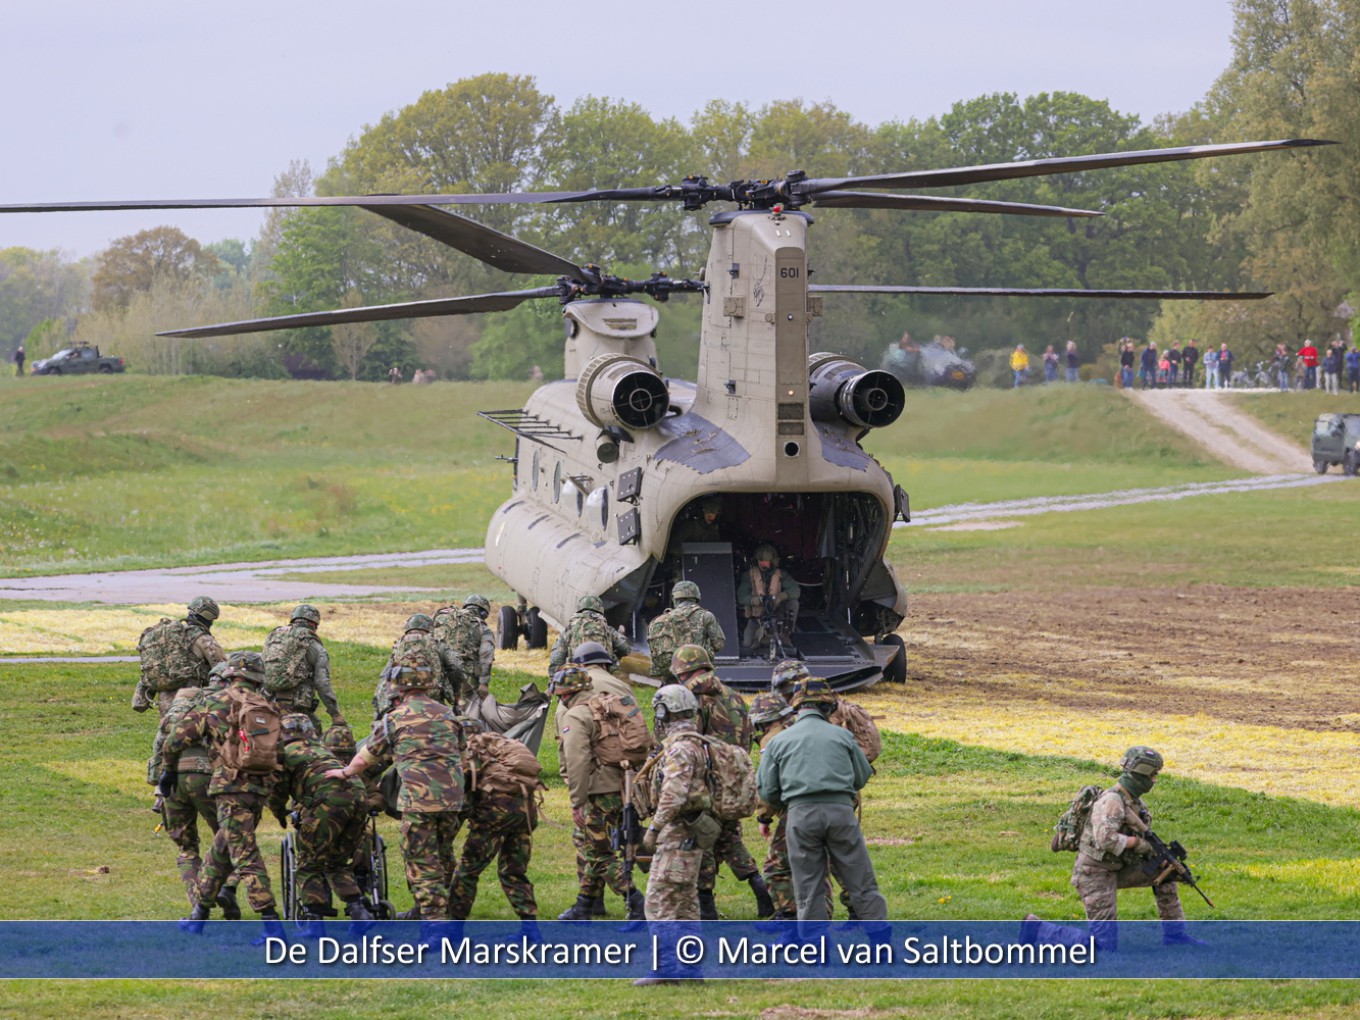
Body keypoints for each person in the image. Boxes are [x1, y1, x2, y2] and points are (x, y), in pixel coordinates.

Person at [1022, 746, 1204, 952]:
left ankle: (1176, 935)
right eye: (1153, 775)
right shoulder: (1112, 802)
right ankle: (1037, 929)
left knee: (1167, 872)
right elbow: (1105, 840)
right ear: (1141, 775)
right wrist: (1137, 844)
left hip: (1118, 868)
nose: (1154, 780)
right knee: (1103, 947)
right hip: (1094, 874)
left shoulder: (1135, 804)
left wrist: (1161, 859)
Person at [329, 654, 466, 924]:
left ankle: (435, 922)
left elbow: (366, 756)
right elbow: (462, 751)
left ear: (398, 688)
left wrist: (344, 772)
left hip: (419, 801)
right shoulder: (448, 714)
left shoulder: (396, 718)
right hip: (452, 799)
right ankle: (434, 908)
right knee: (444, 853)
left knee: (421, 860)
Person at [755, 676, 888, 928]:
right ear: (828, 706)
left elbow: (768, 789)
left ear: (796, 707)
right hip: (840, 813)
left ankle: (815, 948)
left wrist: (792, 802)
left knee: (808, 884)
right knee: (860, 879)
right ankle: (879, 939)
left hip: (800, 816)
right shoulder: (842, 736)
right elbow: (860, 776)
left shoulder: (778, 741)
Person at [165, 651, 281, 936]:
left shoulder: (215, 701)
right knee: (221, 851)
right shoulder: (268, 705)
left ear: (230, 674)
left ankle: (273, 927)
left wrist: (168, 770)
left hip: (230, 789)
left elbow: (176, 738)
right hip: (260, 788)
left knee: (245, 856)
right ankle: (199, 915)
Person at [671, 644, 771, 920]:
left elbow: (687, 742)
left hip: (707, 780)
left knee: (701, 837)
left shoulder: (690, 697)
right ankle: (760, 887)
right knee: (728, 837)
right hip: (736, 778)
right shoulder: (734, 697)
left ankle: (706, 907)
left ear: (682, 671)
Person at [551, 660, 648, 921]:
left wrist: (576, 802)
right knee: (597, 846)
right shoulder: (604, 707)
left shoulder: (575, 715)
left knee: (598, 853)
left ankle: (637, 901)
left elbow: (577, 761)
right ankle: (585, 905)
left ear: (564, 692)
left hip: (599, 793)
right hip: (624, 787)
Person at [634, 684, 715, 986]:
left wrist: (653, 829)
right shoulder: (698, 743)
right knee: (685, 903)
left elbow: (673, 794)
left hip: (677, 832)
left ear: (662, 711)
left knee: (659, 901)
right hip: (692, 832)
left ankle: (666, 969)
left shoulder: (680, 748)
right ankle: (691, 968)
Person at [270, 713, 372, 935]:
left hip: (329, 801)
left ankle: (315, 924)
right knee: (337, 862)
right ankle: (359, 912)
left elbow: (278, 790)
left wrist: (279, 813)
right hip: (358, 795)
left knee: (309, 864)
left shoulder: (284, 753)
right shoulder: (321, 749)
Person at [151, 668, 240, 917]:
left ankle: (199, 906)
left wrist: (158, 784)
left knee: (187, 850)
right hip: (209, 777)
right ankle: (227, 888)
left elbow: (161, 742)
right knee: (229, 838)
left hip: (173, 780)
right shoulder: (229, 705)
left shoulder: (183, 701)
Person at [448, 722, 543, 927]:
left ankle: (453, 929)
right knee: (513, 871)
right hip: (525, 813)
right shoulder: (503, 745)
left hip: (495, 816)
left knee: (468, 870)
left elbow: (463, 796)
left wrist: (448, 833)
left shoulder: (471, 751)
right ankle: (531, 928)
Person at [134, 595, 227, 717]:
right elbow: (223, 669)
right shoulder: (203, 639)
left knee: (169, 733)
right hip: (192, 702)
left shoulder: (168, 637)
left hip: (165, 702)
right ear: (210, 617)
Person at [263, 603, 347, 735]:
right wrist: (335, 713)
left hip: (268, 702)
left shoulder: (275, 636)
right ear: (314, 624)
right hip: (296, 706)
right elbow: (322, 683)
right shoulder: (314, 645)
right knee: (314, 733)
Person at [750, 690, 798, 920]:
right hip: (834, 805)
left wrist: (764, 817)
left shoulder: (772, 739)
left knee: (775, 866)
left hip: (795, 810)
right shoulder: (800, 728)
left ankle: (787, 914)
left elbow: (768, 783)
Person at [375, 613, 465, 716]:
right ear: (430, 628)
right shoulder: (438, 643)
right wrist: (456, 693)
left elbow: (385, 674)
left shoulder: (399, 645)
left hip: (403, 700)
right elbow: (456, 667)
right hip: (433, 701)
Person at [646, 580, 725, 683]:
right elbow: (719, 645)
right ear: (697, 597)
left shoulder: (664, 618)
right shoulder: (706, 616)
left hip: (671, 671)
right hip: (696, 672)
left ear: (674, 598)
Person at [736, 543, 801, 656]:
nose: (763, 564)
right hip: (757, 618)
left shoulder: (781, 575)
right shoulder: (749, 576)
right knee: (747, 645)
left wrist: (780, 597)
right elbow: (741, 596)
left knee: (794, 603)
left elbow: (795, 591)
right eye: (761, 561)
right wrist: (754, 600)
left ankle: (785, 634)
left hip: (778, 616)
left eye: (766, 561)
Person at [548, 595, 631, 674]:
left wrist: (553, 678)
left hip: (577, 673)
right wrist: (614, 656)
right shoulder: (607, 628)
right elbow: (625, 649)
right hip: (603, 672)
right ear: (600, 608)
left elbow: (556, 658)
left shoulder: (570, 628)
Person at [434, 595, 495, 696]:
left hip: (441, 674)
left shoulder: (446, 619)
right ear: (483, 613)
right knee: (469, 707)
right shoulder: (483, 628)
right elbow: (486, 656)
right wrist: (484, 683)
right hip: (467, 678)